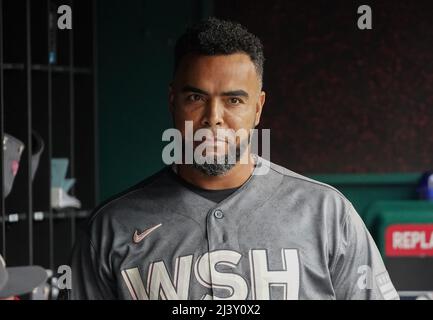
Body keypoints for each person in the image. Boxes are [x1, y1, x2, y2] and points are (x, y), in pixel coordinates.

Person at [66, 17, 398, 300]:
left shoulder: (326, 214)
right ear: (172, 101)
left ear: (258, 107)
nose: (214, 117)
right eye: (196, 97)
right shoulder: (111, 228)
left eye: (234, 101)